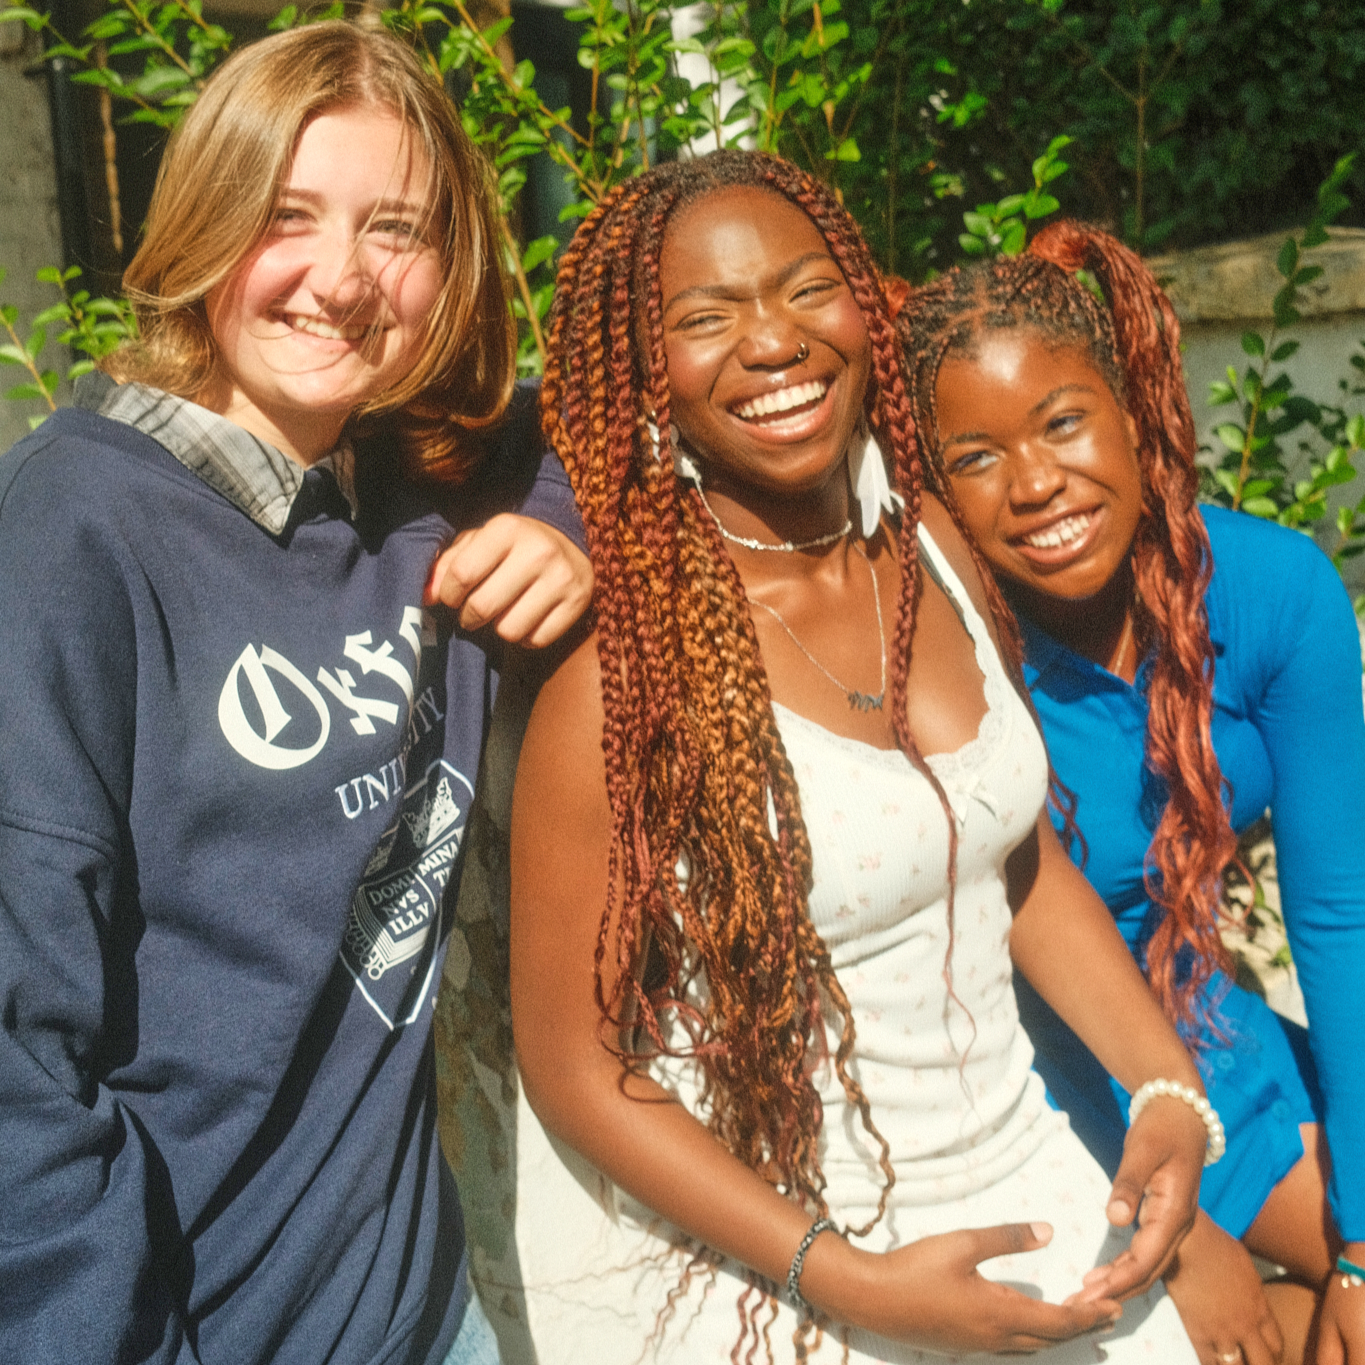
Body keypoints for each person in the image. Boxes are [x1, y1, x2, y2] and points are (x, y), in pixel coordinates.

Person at [492, 149, 1212, 1364]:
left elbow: (1016, 860)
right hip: (774, 1275)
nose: (773, 342)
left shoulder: (929, 545)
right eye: (704, 318)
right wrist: (854, 1282)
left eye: (804, 288)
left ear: (864, 305)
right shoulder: (617, 665)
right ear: (642, 368)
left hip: (1035, 1193)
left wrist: (1165, 1090)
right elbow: (574, 1063)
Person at [0, 22, 591, 1365]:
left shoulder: (407, 473)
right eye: (286, 216)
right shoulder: (68, 538)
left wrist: (563, 532)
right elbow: (16, 1071)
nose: (343, 279)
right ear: (203, 223)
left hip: (425, 1316)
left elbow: (574, 423)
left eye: (396, 228)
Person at [898, 220, 1365, 1365]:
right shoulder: (944, 661)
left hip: (1213, 1042)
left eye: (1063, 422)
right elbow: (999, 984)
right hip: (1041, 1098)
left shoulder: (1272, 593)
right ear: (929, 483)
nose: (1037, 482)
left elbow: (1342, 922)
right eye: (976, 456)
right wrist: (1184, 1229)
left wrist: (1361, 1243)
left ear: (1131, 407)